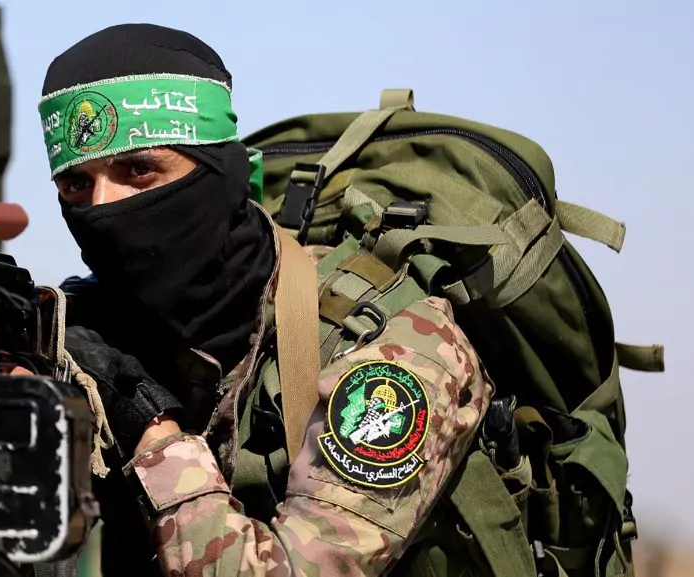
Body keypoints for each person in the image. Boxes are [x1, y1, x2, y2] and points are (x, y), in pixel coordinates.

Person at [38, 24, 492, 576]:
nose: (103, 208)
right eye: (76, 184)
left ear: (218, 170)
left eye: (139, 170)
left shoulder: (394, 344)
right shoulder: (104, 330)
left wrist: (149, 424)